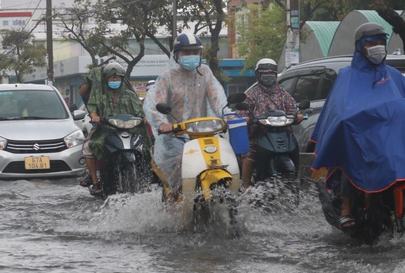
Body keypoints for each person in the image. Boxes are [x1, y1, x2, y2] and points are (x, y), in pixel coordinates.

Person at [311, 22, 405, 229]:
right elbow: (341, 111)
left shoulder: (395, 76)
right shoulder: (347, 76)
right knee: (352, 158)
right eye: (372, 43)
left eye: (381, 42)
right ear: (361, 46)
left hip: (389, 141)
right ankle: (346, 207)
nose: (378, 47)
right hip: (360, 137)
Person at [143, 32, 227, 197]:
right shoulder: (166, 78)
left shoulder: (205, 72)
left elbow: (216, 96)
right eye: (186, 53)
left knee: (223, 156)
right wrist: (162, 124)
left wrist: (227, 113)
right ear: (177, 55)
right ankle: (174, 197)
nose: (191, 56)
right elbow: (153, 105)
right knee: (183, 160)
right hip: (174, 135)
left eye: (195, 52)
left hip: (203, 132)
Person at [84, 61, 150, 194]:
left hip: (130, 129)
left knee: (147, 147)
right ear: (107, 78)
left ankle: (148, 175)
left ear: (122, 78)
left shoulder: (130, 95)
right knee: (89, 147)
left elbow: (140, 111)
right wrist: (94, 115)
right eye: (112, 77)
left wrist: (144, 117)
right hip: (106, 130)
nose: (115, 79)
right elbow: (92, 107)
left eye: (117, 77)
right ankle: (95, 181)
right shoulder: (99, 95)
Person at [237, 58, 302, 190]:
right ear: (258, 76)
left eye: (271, 75)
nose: (268, 78)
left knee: (295, 148)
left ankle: (296, 182)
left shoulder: (283, 94)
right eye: (265, 75)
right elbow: (242, 113)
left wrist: (298, 115)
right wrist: (247, 118)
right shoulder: (251, 95)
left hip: (282, 134)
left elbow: (294, 109)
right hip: (259, 135)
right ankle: (246, 188)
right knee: (250, 155)